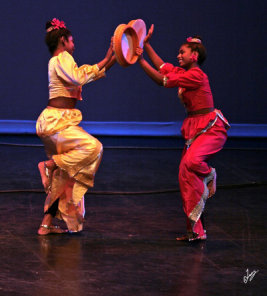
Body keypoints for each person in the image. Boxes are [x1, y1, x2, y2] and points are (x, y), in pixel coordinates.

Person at [136, 25, 230, 241]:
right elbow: (162, 67)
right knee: (185, 176)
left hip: (210, 128)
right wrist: (147, 45)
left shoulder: (196, 75)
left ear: (194, 56)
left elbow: (162, 80)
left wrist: (140, 61)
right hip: (194, 128)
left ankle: (209, 174)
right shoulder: (184, 72)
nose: (178, 56)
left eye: (182, 52)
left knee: (192, 163)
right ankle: (195, 232)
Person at [36, 18, 116, 235]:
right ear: (63, 40)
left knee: (64, 175)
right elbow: (78, 77)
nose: (74, 44)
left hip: (58, 121)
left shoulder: (60, 60)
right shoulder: (62, 58)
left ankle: (46, 223)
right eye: (71, 40)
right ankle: (49, 164)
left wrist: (113, 57)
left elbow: (87, 76)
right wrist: (107, 58)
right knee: (94, 148)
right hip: (56, 122)